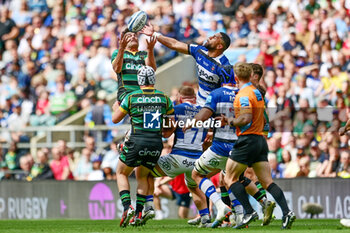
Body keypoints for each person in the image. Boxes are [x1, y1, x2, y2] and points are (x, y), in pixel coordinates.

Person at [219, 63, 295, 229]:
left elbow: (245, 118)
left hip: (247, 139)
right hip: (260, 140)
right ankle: (287, 212)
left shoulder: (243, 95)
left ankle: (248, 211)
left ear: (236, 78)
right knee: (267, 181)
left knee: (229, 178)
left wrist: (230, 121)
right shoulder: (256, 91)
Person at [112, 66, 174, 228]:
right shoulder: (164, 98)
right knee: (142, 176)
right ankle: (139, 213)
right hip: (155, 143)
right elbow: (170, 128)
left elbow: (115, 119)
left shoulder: (131, 97)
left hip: (136, 141)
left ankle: (127, 207)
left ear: (139, 81)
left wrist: (115, 108)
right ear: (154, 80)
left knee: (121, 172)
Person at [147, 85, 210, 227]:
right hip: (198, 159)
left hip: (179, 157)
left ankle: (149, 207)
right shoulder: (204, 112)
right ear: (194, 98)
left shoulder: (176, 109)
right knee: (194, 187)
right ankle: (205, 216)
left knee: (145, 171)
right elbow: (209, 135)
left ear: (180, 98)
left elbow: (166, 133)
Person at [141, 24, 231, 106]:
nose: (210, 37)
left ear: (219, 46)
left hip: (214, 107)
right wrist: (154, 34)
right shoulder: (200, 51)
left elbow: (228, 93)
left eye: (214, 37)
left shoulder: (225, 67)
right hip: (199, 104)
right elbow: (175, 44)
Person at [111, 30, 157, 105]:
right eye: (129, 36)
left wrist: (150, 50)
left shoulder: (144, 54)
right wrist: (121, 48)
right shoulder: (118, 53)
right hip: (127, 94)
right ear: (123, 40)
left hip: (144, 94)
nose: (133, 37)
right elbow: (117, 69)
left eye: (135, 35)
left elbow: (152, 69)